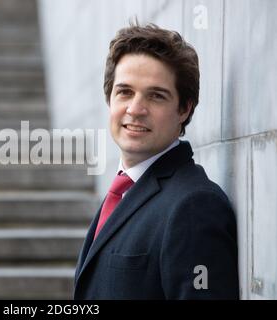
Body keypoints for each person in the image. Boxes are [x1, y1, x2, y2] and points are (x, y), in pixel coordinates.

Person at [74, 23, 239, 299]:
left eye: (156, 96)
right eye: (124, 92)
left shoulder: (195, 207)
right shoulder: (124, 190)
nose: (135, 109)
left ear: (184, 109)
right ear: (109, 98)